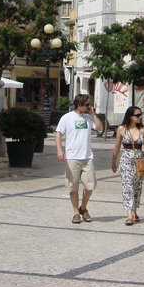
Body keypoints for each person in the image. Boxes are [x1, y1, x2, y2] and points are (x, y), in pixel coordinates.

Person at [55, 93, 103, 224]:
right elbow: (58, 134)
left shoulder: (88, 117)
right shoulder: (67, 118)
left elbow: (100, 128)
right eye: (87, 105)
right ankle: (76, 212)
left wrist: (93, 114)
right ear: (79, 105)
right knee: (73, 187)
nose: (89, 106)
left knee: (89, 186)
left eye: (89, 104)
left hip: (87, 157)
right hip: (72, 157)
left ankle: (83, 207)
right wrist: (59, 150)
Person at [111, 106, 144, 225]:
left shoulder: (143, 129)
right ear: (130, 116)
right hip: (126, 160)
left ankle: (134, 210)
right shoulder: (121, 129)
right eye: (137, 115)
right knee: (127, 186)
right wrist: (113, 161)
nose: (140, 117)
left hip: (139, 160)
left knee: (137, 187)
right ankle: (129, 214)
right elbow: (117, 146)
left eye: (140, 115)